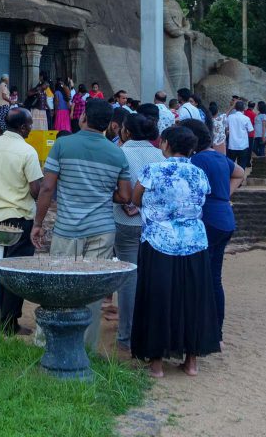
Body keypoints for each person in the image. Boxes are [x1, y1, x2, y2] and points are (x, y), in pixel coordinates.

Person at [31, 98, 130, 349]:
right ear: (109, 125)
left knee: (58, 287)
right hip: (102, 230)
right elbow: (125, 196)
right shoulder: (117, 153)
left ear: (83, 117)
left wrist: (37, 224)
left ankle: (49, 343)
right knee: (92, 292)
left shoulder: (63, 145)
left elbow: (47, 188)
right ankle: (84, 349)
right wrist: (102, 192)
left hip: (67, 229)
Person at [130, 125, 220, 377]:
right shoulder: (199, 174)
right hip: (195, 242)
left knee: (157, 298)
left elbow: (136, 199)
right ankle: (192, 362)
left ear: (166, 144)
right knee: (194, 299)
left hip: (159, 241)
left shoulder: (153, 170)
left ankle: (156, 364)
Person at [0, 107, 43, 334]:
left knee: (2, 266)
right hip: (20, 218)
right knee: (17, 273)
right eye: (30, 125)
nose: (31, 129)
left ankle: (2, 318)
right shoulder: (27, 151)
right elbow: (36, 190)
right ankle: (8, 324)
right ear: (23, 127)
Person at [181, 118, 243, 339]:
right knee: (214, 278)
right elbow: (240, 172)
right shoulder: (218, 156)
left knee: (200, 277)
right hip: (225, 218)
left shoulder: (196, 160)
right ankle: (216, 331)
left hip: (208, 220)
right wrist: (226, 195)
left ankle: (203, 331)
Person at [115, 111, 164, 352]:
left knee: (128, 277)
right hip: (153, 223)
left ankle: (126, 333)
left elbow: (114, 186)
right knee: (151, 275)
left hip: (124, 222)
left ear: (127, 131)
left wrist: (130, 203)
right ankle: (150, 329)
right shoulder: (160, 155)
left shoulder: (120, 153)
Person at [225, 100, 254, 169]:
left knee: (230, 166)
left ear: (235, 108)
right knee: (241, 166)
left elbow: (225, 125)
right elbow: (251, 130)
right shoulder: (246, 118)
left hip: (232, 145)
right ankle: (240, 179)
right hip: (243, 145)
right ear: (244, 108)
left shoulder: (230, 117)